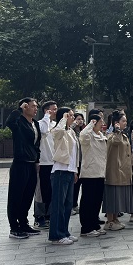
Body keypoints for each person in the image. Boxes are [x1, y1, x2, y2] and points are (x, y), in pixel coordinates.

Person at [5, 98, 42, 239]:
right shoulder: (18, 122)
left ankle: (24, 223)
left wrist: (37, 161)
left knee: (27, 195)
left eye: (36, 106)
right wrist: (19, 109)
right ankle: (14, 228)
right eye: (32, 106)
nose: (35, 108)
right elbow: (9, 122)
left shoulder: (35, 124)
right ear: (25, 107)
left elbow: (36, 145)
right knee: (16, 196)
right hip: (20, 164)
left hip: (32, 164)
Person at [48, 108, 80, 245]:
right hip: (60, 170)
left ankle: (64, 231)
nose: (72, 117)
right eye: (70, 115)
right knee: (58, 205)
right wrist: (63, 120)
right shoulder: (58, 130)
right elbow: (57, 132)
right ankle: (56, 235)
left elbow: (74, 153)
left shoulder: (71, 131)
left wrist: (75, 171)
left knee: (67, 205)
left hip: (70, 170)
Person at [103, 111, 133, 230]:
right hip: (114, 171)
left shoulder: (123, 135)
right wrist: (117, 130)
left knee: (118, 197)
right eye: (123, 121)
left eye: (126, 121)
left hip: (123, 171)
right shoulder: (111, 135)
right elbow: (117, 142)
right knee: (112, 197)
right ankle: (110, 221)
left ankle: (115, 219)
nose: (125, 123)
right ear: (116, 123)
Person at [78, 114, 107, 237]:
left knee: (96, 201)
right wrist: (90, 124)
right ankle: (86, 228)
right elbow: (83, 135)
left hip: (100, 172)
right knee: (88, 201)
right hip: (89, 173)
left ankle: (95, 225)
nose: (102, 124)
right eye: (100, 122)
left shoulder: (101, 136)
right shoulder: (88, 135)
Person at [36, 101, 58, 230]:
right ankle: (39, 217)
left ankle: (49, 216)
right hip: (43, 162)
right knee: (42, 191)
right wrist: (46, 117)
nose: (55, 111)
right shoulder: (40, 124)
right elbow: (44, 131)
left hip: (54, 162)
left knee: (51, 191)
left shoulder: (56, 125)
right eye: (53, 109)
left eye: (56, 109)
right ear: (46, 111)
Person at [70, 112, 86, 215]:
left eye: (81, 119)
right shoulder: (71, 131)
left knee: (78, 184)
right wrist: (73, 124)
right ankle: (71, 205)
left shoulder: (82, 131)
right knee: (74, 185)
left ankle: (75, 204)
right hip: (74, 161)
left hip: (81, 161)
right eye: (78, 119)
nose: (80, 121)